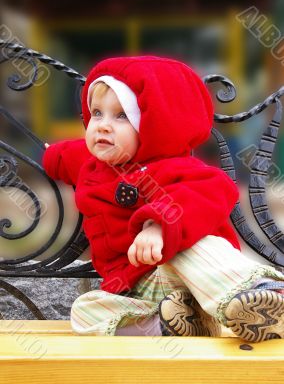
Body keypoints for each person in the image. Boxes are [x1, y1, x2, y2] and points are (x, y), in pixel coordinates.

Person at [43, 56, 284, 342]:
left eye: (121, 116)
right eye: (97, 113)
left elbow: (212, 191)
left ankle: (257, 294)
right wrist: (50, 155)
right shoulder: (90, 162)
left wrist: (160, 225)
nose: (103, 126)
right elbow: (64, 155)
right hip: (141, 288)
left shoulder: (174, 167)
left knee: (196, 246)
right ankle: (168, 325)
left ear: (156, 124)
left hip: (196, 276)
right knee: (85, 309)